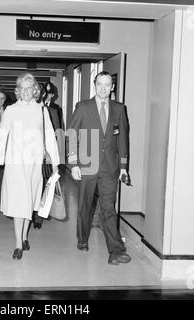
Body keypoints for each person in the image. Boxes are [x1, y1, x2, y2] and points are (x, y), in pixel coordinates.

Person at [0, 73, 60, 260]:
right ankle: (18, 244)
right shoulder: (11, 110)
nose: (27, 91)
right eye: (23, 88)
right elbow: (2, 137)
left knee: (29, 202)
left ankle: (25, 236)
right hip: (15, 165)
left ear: (35, 90)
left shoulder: (42, 111)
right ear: (18, 90)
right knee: (19, 202)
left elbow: (50, 138)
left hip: (34, 164)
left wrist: (55, 164)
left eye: (30, 88)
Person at [67, 71, 131, 265]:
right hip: (87, 165)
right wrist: (73, 163)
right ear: (94, 85)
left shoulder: (119, 109)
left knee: (108, 209)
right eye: (99, 84)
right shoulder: (83, 107)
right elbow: (71, 134)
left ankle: (116, 250)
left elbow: (122, 139)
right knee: (85, 206)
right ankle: (82, 238)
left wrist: (123, 167)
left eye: (107, 85)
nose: (103, 88)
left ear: (112, 87)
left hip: (110, 168)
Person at [32, 81, 64, 229]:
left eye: (48, 93)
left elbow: (57, 134)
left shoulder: (53, 110)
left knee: (44, 184)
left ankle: (39, 217)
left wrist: (54, 157)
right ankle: (31, 212)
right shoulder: (29, 109)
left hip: (46, 156)